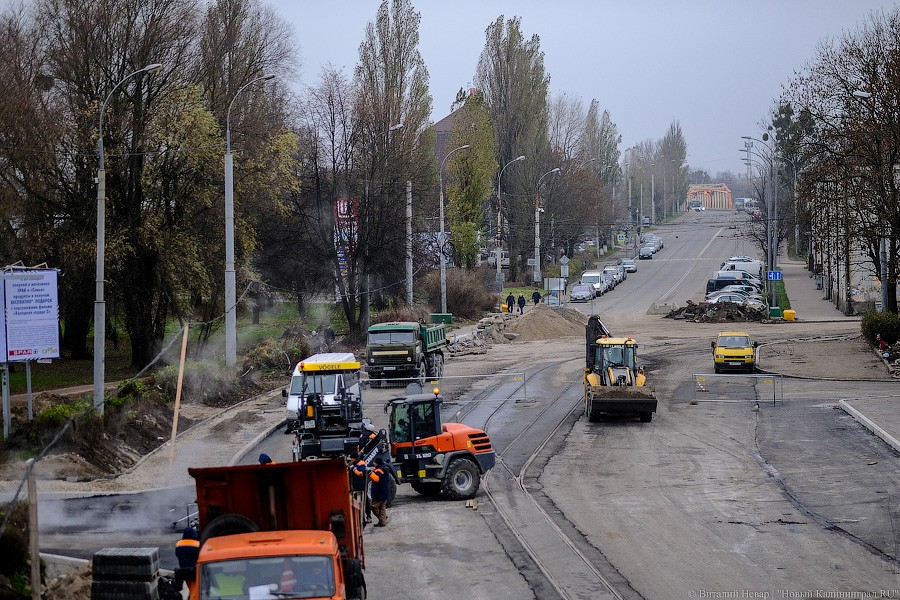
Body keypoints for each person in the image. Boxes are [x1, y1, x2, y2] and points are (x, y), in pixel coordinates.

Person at [174, 526, 200, 592]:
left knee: (190, 588)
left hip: (184, 571)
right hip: (195, 571)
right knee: (195, 589)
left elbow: (177, 554)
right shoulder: (197, 544)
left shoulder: (178, 544)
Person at [369, 457, 391, 527]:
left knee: (373, 507)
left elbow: (376, 479)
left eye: (374, 462)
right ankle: (383, 519)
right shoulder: (384, 468)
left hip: (378, 492)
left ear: (377, 463)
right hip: (384, 491)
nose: (373, 463)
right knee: (382, 507)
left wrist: (370, 473)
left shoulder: (379, 471)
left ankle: (382, 519)